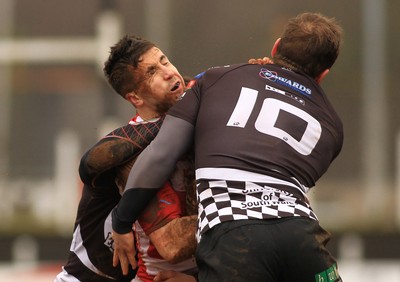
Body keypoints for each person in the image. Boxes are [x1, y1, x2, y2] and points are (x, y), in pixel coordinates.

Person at [112, 12, 344, 282]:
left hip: (233, 235)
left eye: (164, 62)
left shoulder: (217, 79)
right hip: (302, 235)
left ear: (276, 47)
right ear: (323, 74)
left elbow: (161, 154)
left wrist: (121, 221)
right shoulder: (333, 126)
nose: (168, 72)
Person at [55, 35, 198, 282]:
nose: (169, 73)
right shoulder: (131, 154)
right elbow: (171, 245)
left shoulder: (194, 109)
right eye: (152, 72)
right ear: (135, 99)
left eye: (164, 61)